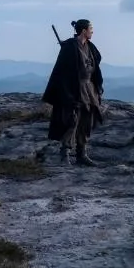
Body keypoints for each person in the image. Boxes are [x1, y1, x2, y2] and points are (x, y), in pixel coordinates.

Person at [42, 19, 104, 166]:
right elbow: (62, 73)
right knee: (72, 120)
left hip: (89, 88)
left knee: (87, 120)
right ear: (84, 31)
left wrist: (96, 87)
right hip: (74, 88)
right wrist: (66, 93)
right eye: (91, 29)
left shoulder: (90, 46)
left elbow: (96, 62)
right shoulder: (70, 48)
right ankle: (65, 154)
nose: (92, 31)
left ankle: (82, 154)